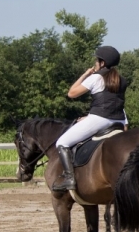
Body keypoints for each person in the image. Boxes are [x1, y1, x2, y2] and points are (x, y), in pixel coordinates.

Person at [52, 46, 129, 191]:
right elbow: (111, 101)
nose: (95, 63)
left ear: (102, 63)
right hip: (119, 121)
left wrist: (85, 74)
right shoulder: (122, 80)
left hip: (99, 119)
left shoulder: (95, 78)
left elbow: (71, 93)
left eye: (97, 60)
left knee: (62, 142)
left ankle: (69, 178)